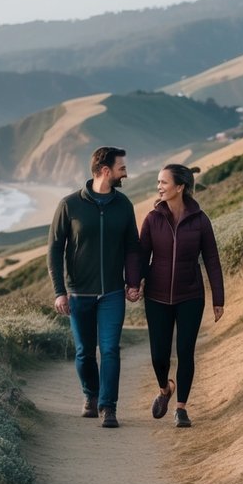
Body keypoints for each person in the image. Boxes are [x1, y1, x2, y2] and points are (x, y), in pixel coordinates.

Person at [47, 146, 142, 428]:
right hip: (79, 294)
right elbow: (54, 250)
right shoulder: (70, 205)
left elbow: (133, 248)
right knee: (85, 353)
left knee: (110, 349)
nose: (125, 171)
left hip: (112, 292)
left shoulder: (123, 205)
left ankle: (108, 407)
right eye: (121, 167)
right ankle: (90, 395)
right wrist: (59, 291)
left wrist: (133, 282)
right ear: (105, 170)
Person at [137, 164, 224, 428]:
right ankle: (165, 389)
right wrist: (133, 283)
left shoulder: (200, 220)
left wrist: (218, 298)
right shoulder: (153, 219)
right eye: (158, 182)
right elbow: (141, 256)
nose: (159, 187)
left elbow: (211, 259)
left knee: (185, 351)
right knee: (158, 356)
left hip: (190, 296)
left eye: (164, 182)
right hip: (156, 296)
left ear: (180, 187)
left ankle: (181, 408)